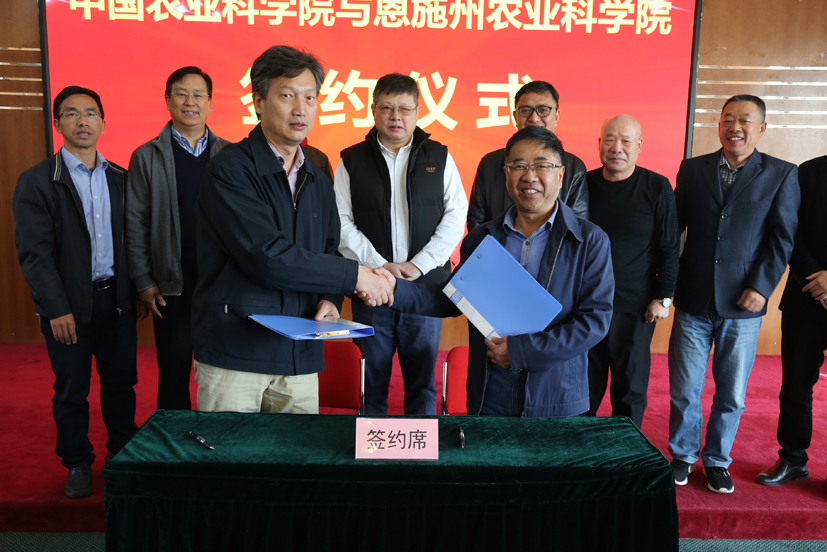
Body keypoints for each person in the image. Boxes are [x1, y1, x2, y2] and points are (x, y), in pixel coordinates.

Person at [192, 45, 392, 414]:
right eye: (287, 95)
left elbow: (329, 249)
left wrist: (331, 298)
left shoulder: (317, 178)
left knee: (297, 452)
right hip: (237, 351)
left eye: (310, 97)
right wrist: (356, 276)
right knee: (232, 452)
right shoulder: (230, 170)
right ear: (258, 101)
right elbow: (266, 257)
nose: (301, 109)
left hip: (300, 355)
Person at [368, 126, 614, 418]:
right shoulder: (482, 238)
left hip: (557, 396)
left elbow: (594, 321)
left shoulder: (589, 240)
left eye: (542, 166)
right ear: (506, 174)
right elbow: (452, 297)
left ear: (560, 175)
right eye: (519, 165)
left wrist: (520, 352)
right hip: (490, 392)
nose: (529, 176)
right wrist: (394, 289)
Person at [13, 86, 146, 498]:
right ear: (58, 124)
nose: (82, 121)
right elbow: (35, 254)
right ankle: (77, 462)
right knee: (72, 389)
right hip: (68, 307)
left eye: (90, 113)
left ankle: (122, 455)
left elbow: (133, 242)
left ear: (103, 122)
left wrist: (136, 291)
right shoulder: (37, 181)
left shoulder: (121, 178)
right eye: (71, 113)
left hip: (116, 302)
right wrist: (56, 308)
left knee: (121, 383)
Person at [668, 95, 799, 493]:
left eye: (744, 120)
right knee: (685, 388)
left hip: (744, 302)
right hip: (693, 296)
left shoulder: (781, 173)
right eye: (728, 119)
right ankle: (683, 455)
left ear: (761, 128)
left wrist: (761, 287)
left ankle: (717, 460)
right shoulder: (693, 169)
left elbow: (782, 239)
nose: (734, 127)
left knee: (732, 393)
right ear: (719, 124)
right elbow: (674, 229)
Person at [334, 73, 467, 415]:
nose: (396, 117)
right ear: (373, 110)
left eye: (405, 109)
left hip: (423, 289)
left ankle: (421, 447)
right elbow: (341, 222)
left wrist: (418, 265)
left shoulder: (439, 156)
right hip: (371, 289)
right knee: (371, 384)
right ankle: (372, 446)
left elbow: (456, 215)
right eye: (387, 108)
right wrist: (378, 267)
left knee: (422, 386)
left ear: (418, 111)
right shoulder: (351, 160)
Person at [125, 67, 229, 411]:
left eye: (198, 95)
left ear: (210, 103)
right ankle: (173, 440)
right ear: (168, 101)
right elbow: (135, 222)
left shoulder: (231, 155)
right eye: (181, 94)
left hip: (220, 283)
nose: (190, 102)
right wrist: (143, 280)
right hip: (171, 283)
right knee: (173, 370)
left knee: (225, 374)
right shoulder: (146, 156)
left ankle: (219, 437)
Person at [586, 115, 679, 428]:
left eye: (626, 141)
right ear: (599, 144)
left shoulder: (657, 187)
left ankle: (625, 450)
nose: (617, 148)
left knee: (630, 389)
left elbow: (670, 246)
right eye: (610, 140)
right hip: (586, 304)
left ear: (639, 146)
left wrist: (663, 298)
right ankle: (577, 448)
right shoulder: (583, 184)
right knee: (583, 387)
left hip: (636, 307)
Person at [756, 154, 827, 486]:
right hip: (804, 296)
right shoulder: (808, 172)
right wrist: (816, 278)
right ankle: (793, 458)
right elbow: (788, 230)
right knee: (796, 385)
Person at [467, 80, 588, 232]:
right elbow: (477, 222)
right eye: (525, 110)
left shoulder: (574, 167)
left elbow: (577, 227)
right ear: (515, 116)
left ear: (556, 115)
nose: (534, 118)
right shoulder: (489, 163)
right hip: (498, 246)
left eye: (543, 110)